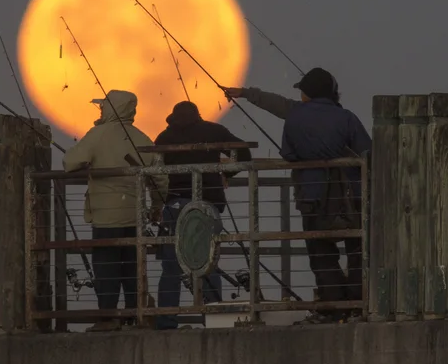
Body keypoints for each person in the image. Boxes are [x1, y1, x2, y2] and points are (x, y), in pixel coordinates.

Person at [63, 90, 168, 332]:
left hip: (105, 217)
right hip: (135, 216)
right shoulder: (142, 138)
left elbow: (69, 162)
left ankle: (107, 317)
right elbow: (160, 180)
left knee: (106, 268)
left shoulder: (97, 135)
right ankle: (134, 316)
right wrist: (156, 208)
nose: (100, 111)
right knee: (132, 266)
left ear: (111, 109)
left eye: (103, 107)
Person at [278, 68, 371, 324]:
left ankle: (333, 304)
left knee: (321, 253)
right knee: (357, 249)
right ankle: (356, 304)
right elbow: (367, 151)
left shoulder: (294, 118)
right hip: (350, 198)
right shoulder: (346, 117)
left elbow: (288, 153)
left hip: (311, 196)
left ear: (307, 93)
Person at [152, 101, 252, 330]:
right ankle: (214, 318)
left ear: (172, 117)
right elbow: (244, 153)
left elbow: (156, 172)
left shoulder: (165, 137)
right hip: (208, 203)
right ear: (198, 114)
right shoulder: (214, 131)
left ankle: (167, 322)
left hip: (176, 204)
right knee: (209, 262)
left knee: (171, 267)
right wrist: (225, 172)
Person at [222, 68, 342, 120]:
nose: (301, 95)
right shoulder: (348, 119)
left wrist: (245, 93)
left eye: (303, 91)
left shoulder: (300, 114)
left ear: (310, 96)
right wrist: (245, 92)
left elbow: (278, 104)